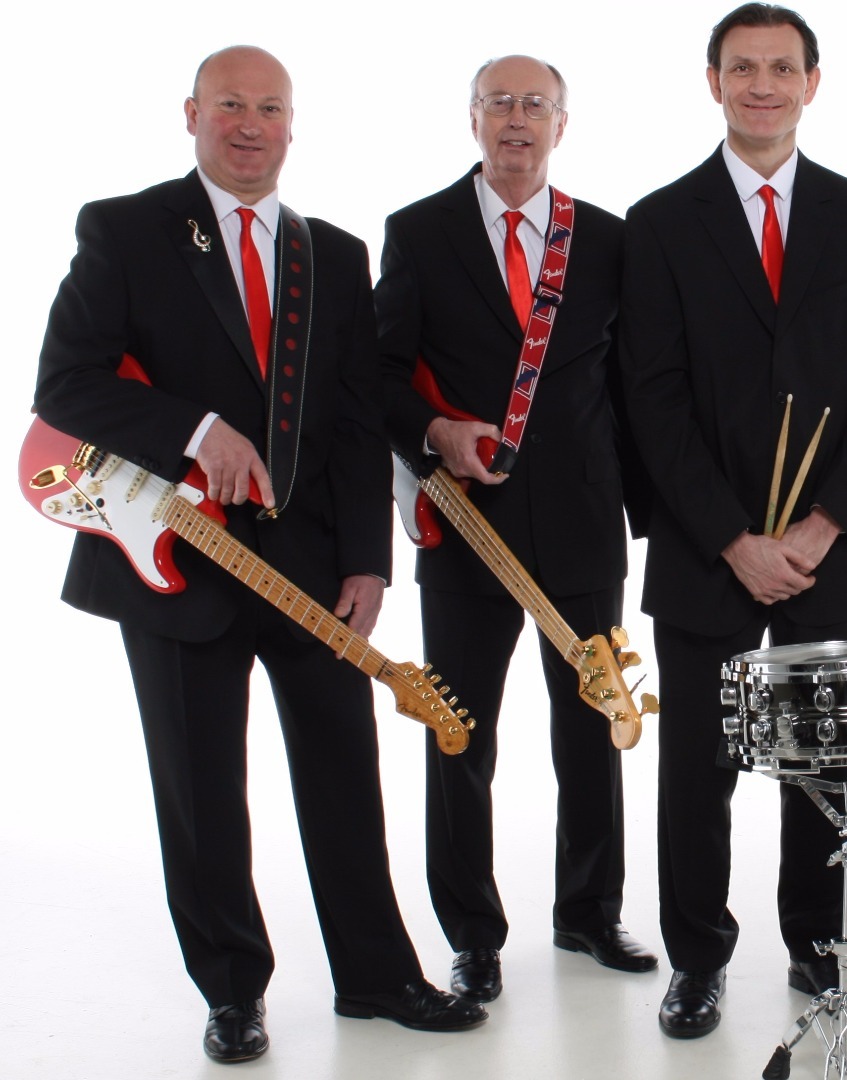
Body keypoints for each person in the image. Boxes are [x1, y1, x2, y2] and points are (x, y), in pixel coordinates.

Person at [32, 46, 487, 1063]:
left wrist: (368, 559)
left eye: (269, 108)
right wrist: (196, 432)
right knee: (200, 793)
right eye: (230, 104)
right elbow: (63, 385)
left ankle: (377, 977)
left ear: (292, 123)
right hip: (172, 558)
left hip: (312, 565)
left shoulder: (334, 253)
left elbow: (357, 421)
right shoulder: (126, 229)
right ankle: (232, 993)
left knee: (345, 775)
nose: (250, 124)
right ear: (191, 114)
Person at [620, 3, 847, 1038]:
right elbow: (650, 394)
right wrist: (731, 538)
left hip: (828, 551)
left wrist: (826, 522)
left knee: (823, 767)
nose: (761, 85)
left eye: (780, 68)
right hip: (708, 550)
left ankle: (822, 949)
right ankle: (697, 959)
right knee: (697, 770)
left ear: (810, 83)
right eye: (741, 67)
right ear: (713, 83)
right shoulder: (660, 220)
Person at [375, 54, 656, 1005]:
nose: (517, 119)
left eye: (536, 105)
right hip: (466, 523)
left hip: (583, 521)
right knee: (459, 734)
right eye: (499, 103)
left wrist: (652, 518)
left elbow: (632, 387)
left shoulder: (608, 239)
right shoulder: (418, 232)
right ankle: (472, 935)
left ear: (561, 126)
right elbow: (376, 375)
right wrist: (434, 433)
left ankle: (590, 912)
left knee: (594, 726)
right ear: (473, 119)